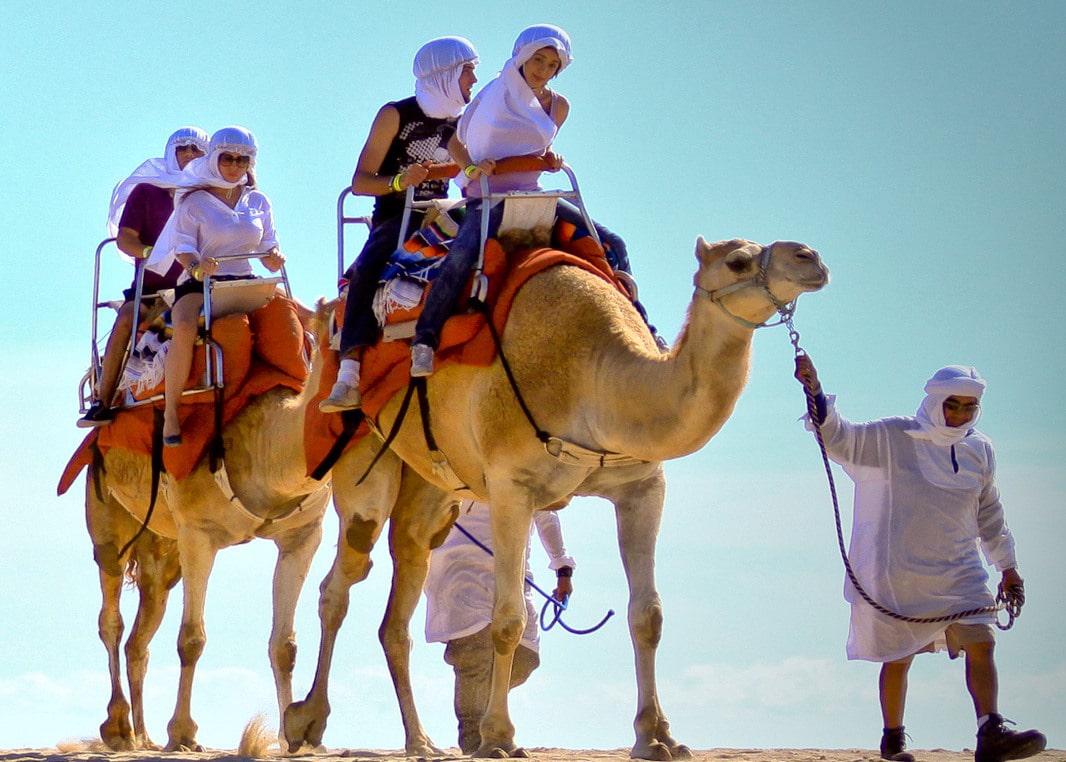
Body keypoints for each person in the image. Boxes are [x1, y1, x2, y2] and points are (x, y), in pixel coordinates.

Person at [794, 355, 1046, 762]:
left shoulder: (980, 449)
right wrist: (816, 392)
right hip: (900, 572)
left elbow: (989, 513)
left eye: (969, 406)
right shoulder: (896, 435)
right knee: (899, 657)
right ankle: (893, 741)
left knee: (981, 642)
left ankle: (990, 732)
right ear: (936, 401)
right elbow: (841, 439)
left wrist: (1008, 568)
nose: (960, 413)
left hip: (961, 568)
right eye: (953, 404)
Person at [409, 23, 648, 377]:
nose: (544, 69)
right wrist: (473, 166)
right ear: (522, 55)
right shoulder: (492, 94)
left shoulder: (559, 106)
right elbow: (458, 141)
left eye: (553, 64)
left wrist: (550, 159)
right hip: (488, 196)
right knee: (460, 259)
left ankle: (641, 324)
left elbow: (537, 147)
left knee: (613, 242)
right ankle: (424, 341)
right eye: (538, 59)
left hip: (535, 197)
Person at [318, 36, 480, 412]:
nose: (474, 81)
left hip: (446, 210)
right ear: (447, 72)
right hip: (398, 215)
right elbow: (360, 181)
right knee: (369, 270)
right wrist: (398, 182)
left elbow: (467, 166)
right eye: (468, 71)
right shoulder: (395, 115)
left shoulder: (462, 122)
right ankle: (349, 371)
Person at [145, 126, 285, 447]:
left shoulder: (259, 201)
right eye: (228, 158)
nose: (235, 166)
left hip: (245, 282)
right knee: (182, 328)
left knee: (299, 316)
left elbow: (268, 247)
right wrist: (196, 265)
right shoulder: (194, 201)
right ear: (214, 159)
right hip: (199, 284)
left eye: (242, 160)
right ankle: (171, 411)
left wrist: (274, 257)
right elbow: (182, 247)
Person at [79, 126, 209, 428]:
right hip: (152, 291)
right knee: (127, 319)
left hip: (205, 287)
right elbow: (126, 238)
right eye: (182, 149)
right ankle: (104, 399)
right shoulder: (148, 192)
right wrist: (154, 251)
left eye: (196, 150)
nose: (189, 155)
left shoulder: (212, 194)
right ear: (170, 153)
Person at [424, 500, 574, 753]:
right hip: (461, 568)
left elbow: (546, 513)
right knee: (474, 655)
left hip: (515, 575)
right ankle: (475, 741)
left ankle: (490, 718)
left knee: (525, 658)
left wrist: (562, 567)